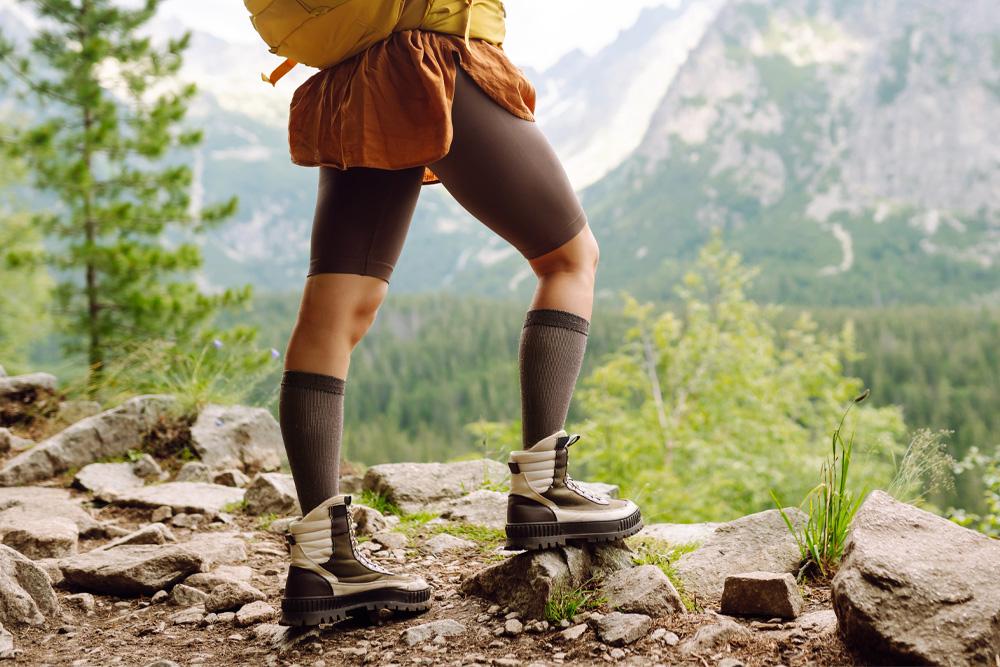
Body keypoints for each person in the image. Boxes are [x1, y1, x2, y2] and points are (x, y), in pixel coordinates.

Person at [276, 8, 643, 628]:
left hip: (358, 79)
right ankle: (544, 489)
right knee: (569, 258)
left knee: (336, 313)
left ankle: (322, 560)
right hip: (432, 56)